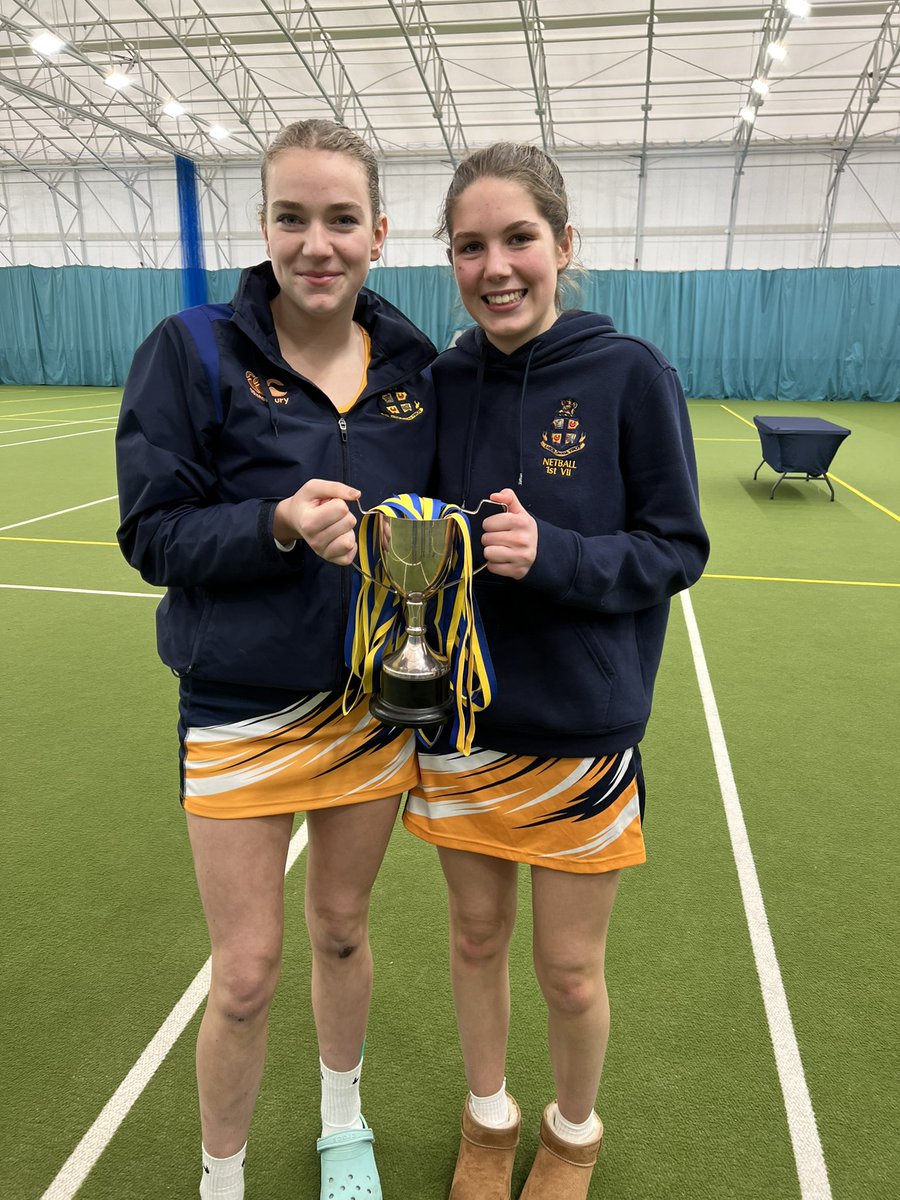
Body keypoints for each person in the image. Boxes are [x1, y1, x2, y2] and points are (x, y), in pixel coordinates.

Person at [115, 119, 436, 1200]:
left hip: (367, 708)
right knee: (245, 974)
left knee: (343, 932)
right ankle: (222, 1174)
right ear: (265, 227)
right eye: (292, 218)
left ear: (378, 232)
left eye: (341, 219)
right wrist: (278, 526)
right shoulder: (192, 350)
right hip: (238, 706)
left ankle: (344, 1126)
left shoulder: (419, 370)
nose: (317, 243)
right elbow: (151, 536)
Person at [402, 143, 710, 1200]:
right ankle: (488, 1119)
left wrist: (562, 556)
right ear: (449, 259)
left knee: (571, 973)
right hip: (464, 729)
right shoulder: (440, 383)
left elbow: (679, 548)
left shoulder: (631, 374)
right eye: (471, 245)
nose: (497, 266)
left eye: (519, 239)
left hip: (581, 730)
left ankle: (572, 1134)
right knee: (475, 936)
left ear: (565, 245)